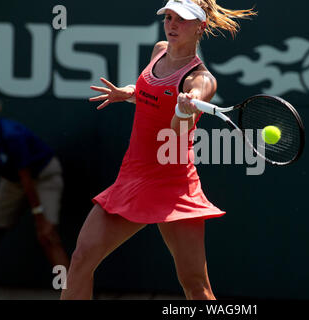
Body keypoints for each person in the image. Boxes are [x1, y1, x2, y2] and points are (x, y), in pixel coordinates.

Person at [60, 0, 256, 300]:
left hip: (174, 185)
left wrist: (184, 108)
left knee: (195, 286)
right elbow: (150, 95)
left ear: (200, 27)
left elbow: (176, 132)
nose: (172, 24)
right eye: (169, 17)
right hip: (132, 178)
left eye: (182, 19)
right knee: (80, 260)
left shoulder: (200, 81)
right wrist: (130, 93)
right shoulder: (159, 50)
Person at [0, 90, 70, 281]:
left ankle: (69, 292)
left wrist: (39, 217)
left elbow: (27, 178)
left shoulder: (12, 135)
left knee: (47, 236)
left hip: (43, 176)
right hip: (13, 181)